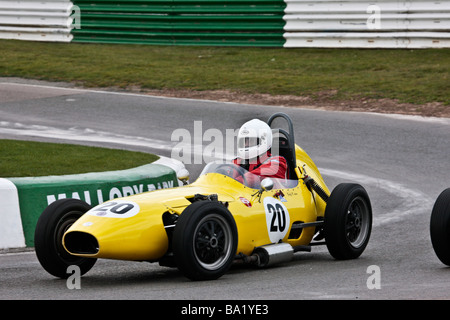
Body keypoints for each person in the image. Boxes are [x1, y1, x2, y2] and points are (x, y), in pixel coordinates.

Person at [232, 119, 288, 187]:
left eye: (251, 141)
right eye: (244, 142)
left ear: (263, 141)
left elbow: (253, 177)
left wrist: (234, 182)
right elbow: (226, 175)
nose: (246, 144)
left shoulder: (277, 162)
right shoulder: (239, 161)